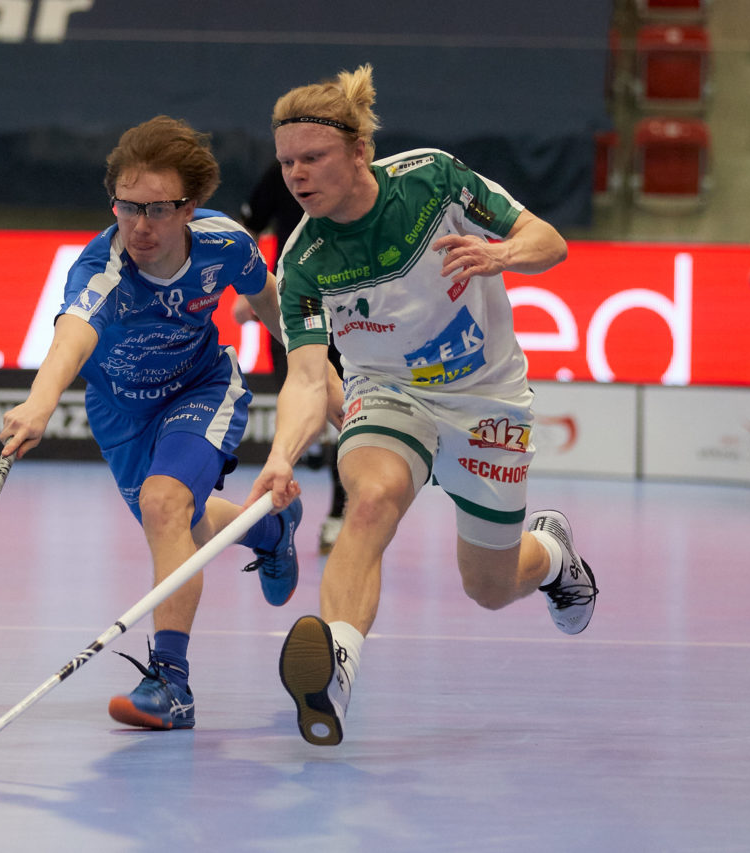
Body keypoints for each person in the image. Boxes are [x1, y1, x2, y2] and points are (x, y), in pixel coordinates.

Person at [245, 65, 599, 747]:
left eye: (312, 157)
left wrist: (502, 255)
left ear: (357, 152)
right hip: (387, 391)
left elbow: (548, 240)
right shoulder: (305, 263)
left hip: (485, 396)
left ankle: (553, 556)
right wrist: (281, 457)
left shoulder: (434, 181)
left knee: (489, 586)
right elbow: (309, 378)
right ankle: (337, 669)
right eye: (286, 161)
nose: (295, 174)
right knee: (370, 498)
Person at [0, 115, 303, 732]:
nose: (139, 225)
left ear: (190, 208)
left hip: (201, 388)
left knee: (166, 506)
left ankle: (170, 684)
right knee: (180, 521)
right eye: (126, 206)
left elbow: (268, 297)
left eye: (158, 209)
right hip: (122, 413)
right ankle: (267, 529)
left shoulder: (226, 245)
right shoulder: (101, 269)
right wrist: (40, 401)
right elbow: (72, 338)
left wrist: (309, 369)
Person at [234, 160, 349, 553]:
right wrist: (253, 289)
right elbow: (249, 226)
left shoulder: (357, 179)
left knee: (346, 412)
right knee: (305, 396)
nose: (298, 169)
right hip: (292, 305)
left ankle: (340, 513)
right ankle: (280, 507)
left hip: (349, 312)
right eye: (288, 159)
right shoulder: (282, 173)